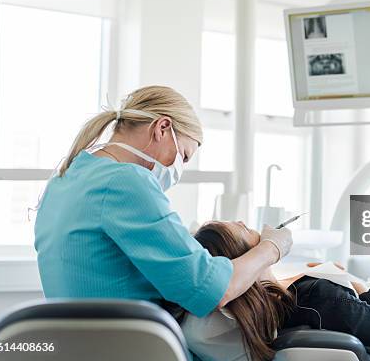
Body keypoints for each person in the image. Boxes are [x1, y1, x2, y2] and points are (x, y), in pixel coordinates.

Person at [34, 85, 293, 320]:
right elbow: (212, 290)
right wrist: (271, 248)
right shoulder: (127, 181)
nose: (180, 168)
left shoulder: (65, 179)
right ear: (162, 128)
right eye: (185, 156)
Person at [184, 220, 370, 361]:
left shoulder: (257, 315)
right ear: (245, 257)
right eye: (242, 227)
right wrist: (357, 286)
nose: (244, 221)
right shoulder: (319, 298)